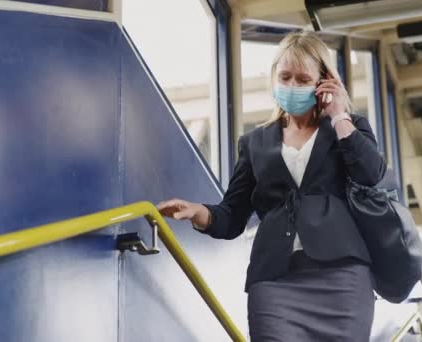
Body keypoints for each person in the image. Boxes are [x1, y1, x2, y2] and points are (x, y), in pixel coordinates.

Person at [157, 31, 386, 342]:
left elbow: (371, 174)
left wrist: (339, 115)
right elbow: (232, 215)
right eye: (285, 76)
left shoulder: (348, 128)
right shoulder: (255, 143)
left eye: (302, 78)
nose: (291, 86)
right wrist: (199, 212)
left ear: (323, 83)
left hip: (341, 277)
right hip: (274, 281)